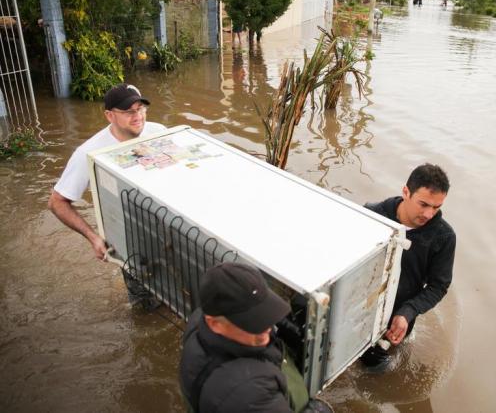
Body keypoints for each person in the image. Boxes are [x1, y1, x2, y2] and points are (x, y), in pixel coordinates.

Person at [179, 262, 332, 413]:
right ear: (215, 324)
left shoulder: (200, 320)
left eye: (263, 313)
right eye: (252, 321)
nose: (267, 327)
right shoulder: (248, 394)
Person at [48, 83, 166, 261]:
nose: (138, 116)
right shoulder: (88, 153)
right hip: (128, 236)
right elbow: (57, 202)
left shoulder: (159, 132)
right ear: (109, 116)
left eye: (140, 109)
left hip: (167, 224)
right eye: (128, 112)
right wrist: (93, 237)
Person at [360, 164, 456, 369]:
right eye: (424, 204)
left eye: (437, 207)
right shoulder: (371, 214)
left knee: (376, 369)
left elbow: (438, 286)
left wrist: (408, 312)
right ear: (406, 192)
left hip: (398, 320)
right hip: (360, 306)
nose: (429, 214)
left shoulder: (444, 237)